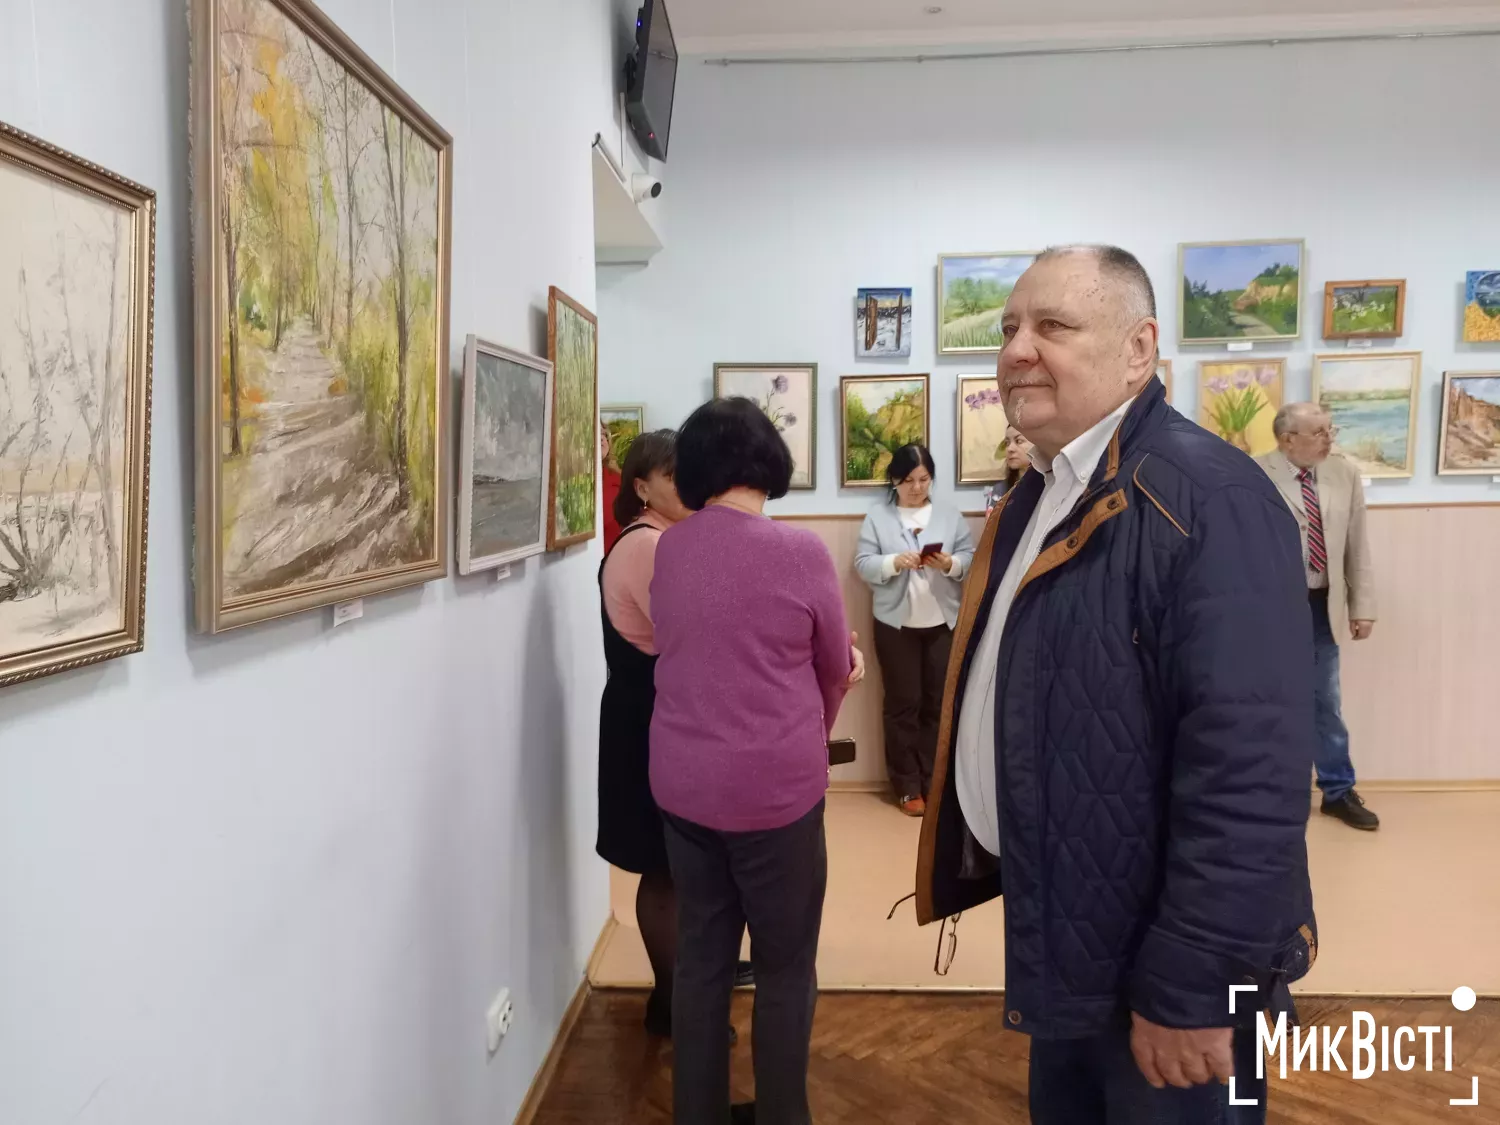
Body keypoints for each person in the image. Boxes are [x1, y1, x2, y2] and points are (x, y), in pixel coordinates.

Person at [914, 245, 1318, 1125]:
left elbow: (1251, 770)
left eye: (1053, 325)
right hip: (1076, 933)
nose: (1017, 348)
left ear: (1139, 350)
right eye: (1010, 326)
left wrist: (1198, 981)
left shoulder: (1211, 497)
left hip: (1177, 974)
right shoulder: (1049, 488)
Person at [650, 397, 863, 1125]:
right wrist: (814, 730)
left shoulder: (670, 548)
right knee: (783, 965)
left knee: (702, 958)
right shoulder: (800, 552)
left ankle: (696, 1112)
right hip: (776, 796)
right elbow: (835, 668)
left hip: (682, 787)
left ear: (697, 468)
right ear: (770, 462)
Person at [595, 431, 694, 1037]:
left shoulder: (663, 540)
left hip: (649, 718)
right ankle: (672, 1000)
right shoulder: (650, 546)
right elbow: (692, 635)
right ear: (641, 487)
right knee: (664, 868)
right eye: (674, 475)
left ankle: (683, 983)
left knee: (677, 866)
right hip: (647, 724)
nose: (689, 486)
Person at [1257, 404, 1380, 831]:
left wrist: (1362, 607)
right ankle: (1275, 790)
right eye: (1320, 432)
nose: (1330, 439)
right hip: (1268, 609)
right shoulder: (1254, 473)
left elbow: (1357, 545)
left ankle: (1337, 791)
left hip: (1322, 605)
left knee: (1325, 701)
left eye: (1331, 429)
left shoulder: (1343, 474)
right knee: (1267, 699)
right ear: (1288, 438)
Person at [854, 444, 975, 816]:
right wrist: (893, 562)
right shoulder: (878, 518)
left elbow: (969, 557)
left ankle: (933, 782)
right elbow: (863, 564)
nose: (917, 487)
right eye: (908, 481)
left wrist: (950, 563)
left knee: (937, 706)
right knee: (903, 704)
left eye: (924, 480)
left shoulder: (950, 516)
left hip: (942, 622)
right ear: (894, 481)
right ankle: (907, 786)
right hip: (896, 625)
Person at [601, 419, 624, 551]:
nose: (601, 439)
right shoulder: (570, 483)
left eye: (603, 434)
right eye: (594, 433)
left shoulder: (619, 478)